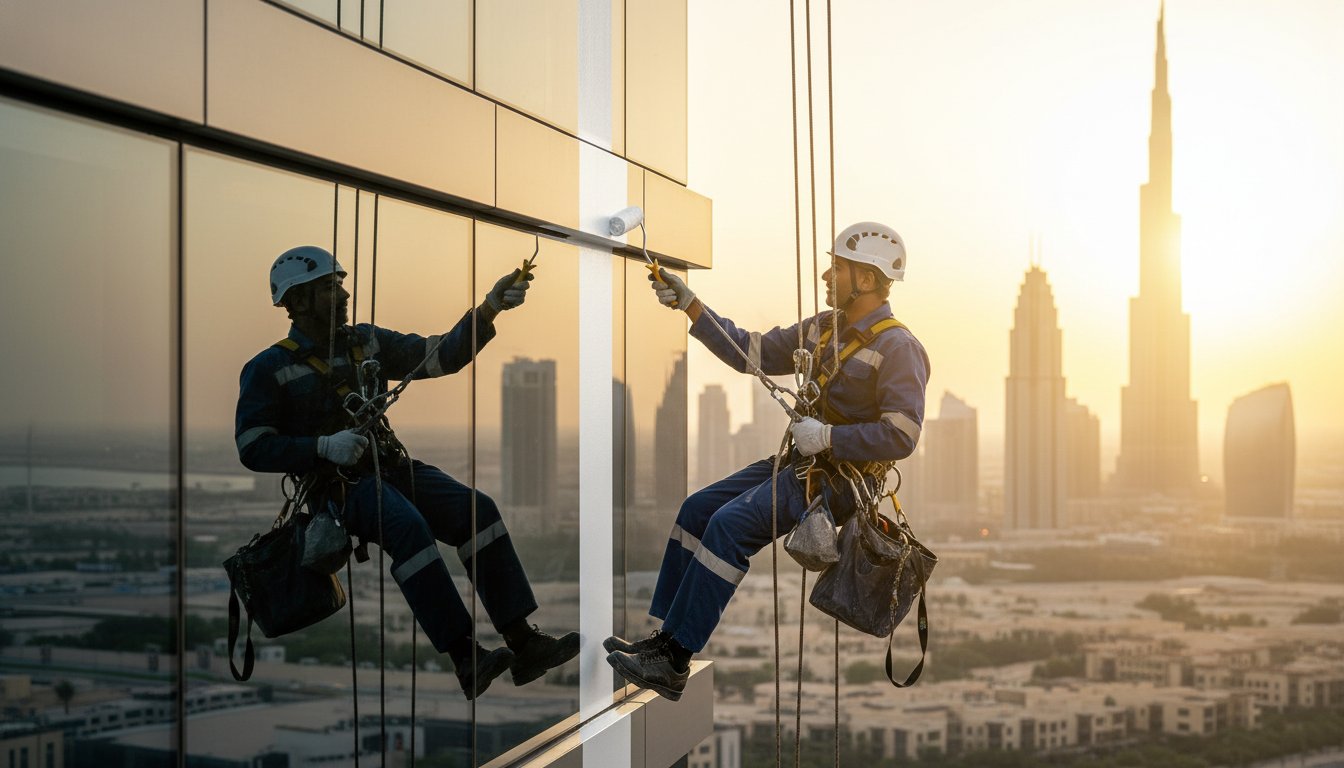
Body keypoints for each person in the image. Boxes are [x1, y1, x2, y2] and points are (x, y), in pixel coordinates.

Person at [604, 222, 930, 701]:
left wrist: (830, 438)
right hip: (801, 462)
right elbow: (750, 351)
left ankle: (674, 660)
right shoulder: (822, 329)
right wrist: (690, 305)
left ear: (866, 277)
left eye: (836, 267)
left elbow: (902, 434)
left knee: (729, 526)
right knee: (697, 510)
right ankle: (667, 639)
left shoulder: (898, 347)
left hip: (838, 482)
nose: (825, 275)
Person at [236, 245, 578, 700]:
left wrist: (490, 309)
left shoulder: (366, 342)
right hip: (340, 490)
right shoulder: (269, 368)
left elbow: (437, 356)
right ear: (296, 302)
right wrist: (321, 448)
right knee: (408, 528)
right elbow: (252, 446)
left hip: (393, 468)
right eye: (327, 289)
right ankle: (465, 657)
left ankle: (523, 641)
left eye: (339, 285)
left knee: (477, 511)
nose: (342, 295)